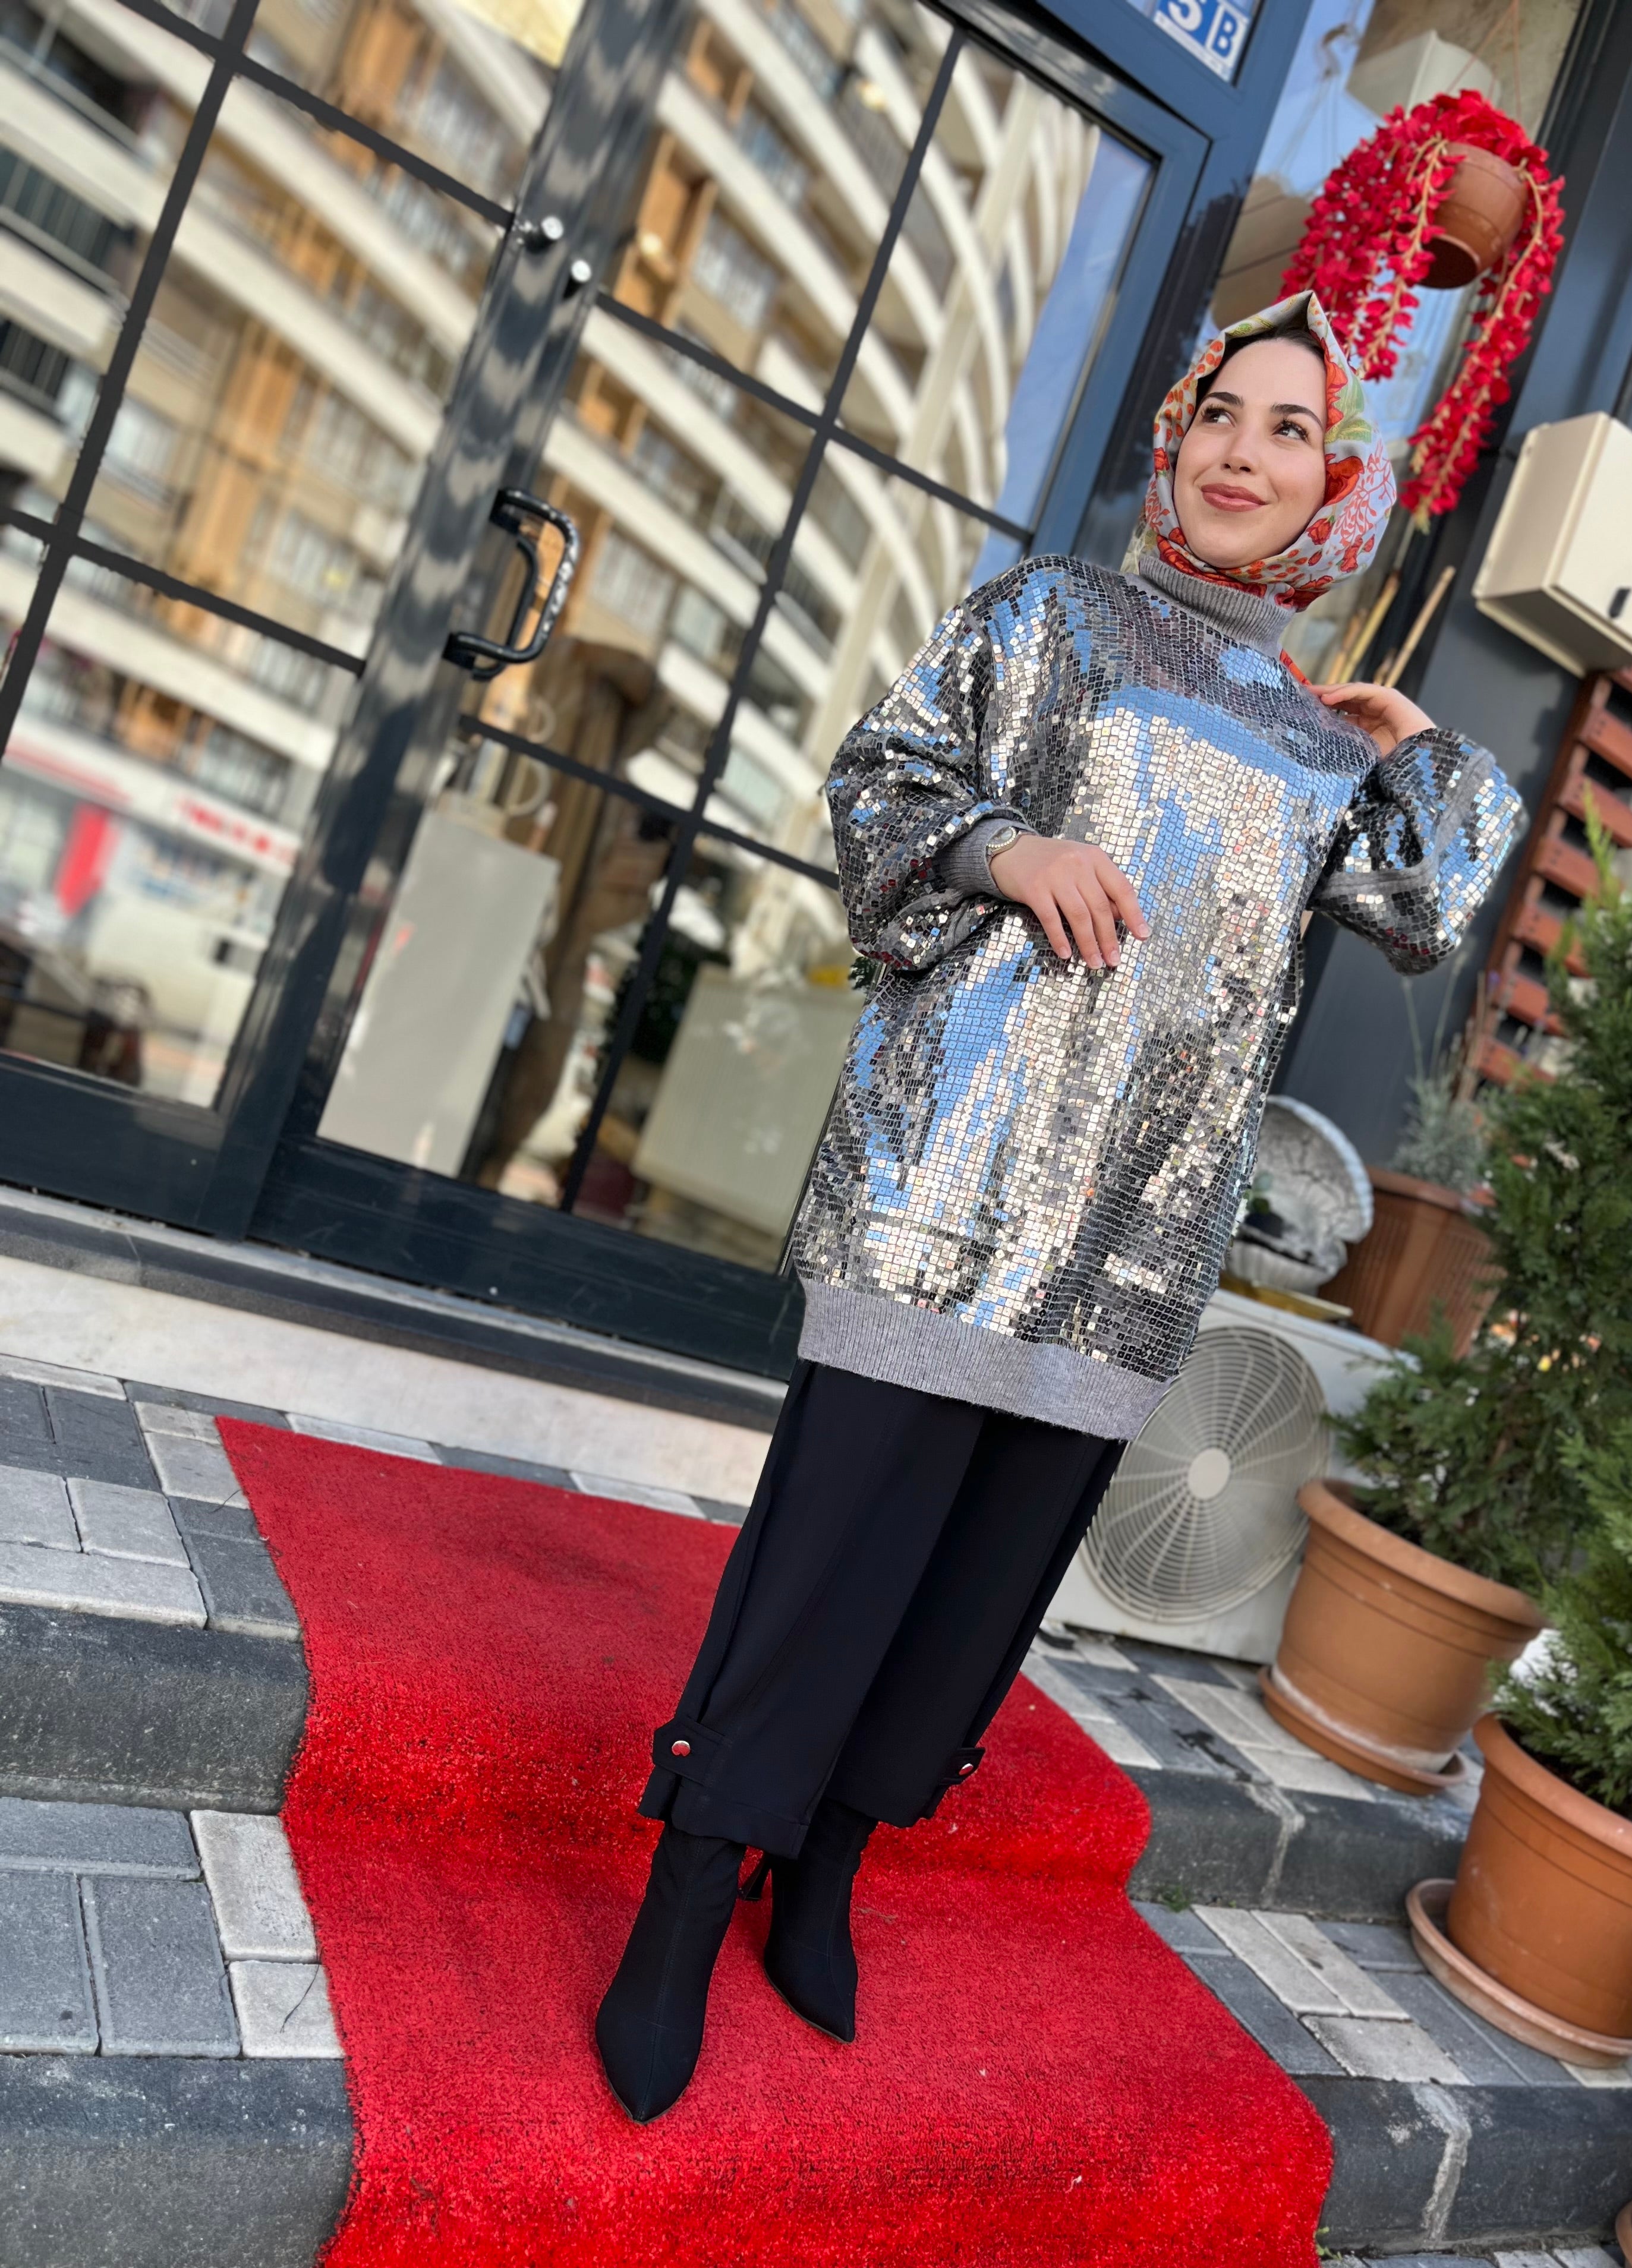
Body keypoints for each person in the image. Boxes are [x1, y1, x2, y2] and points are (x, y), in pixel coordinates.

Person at [596, 290, 1523, 2124]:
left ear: (1335, 485)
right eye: (1222, 415)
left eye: (1291, 433)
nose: (1244, 454)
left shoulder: (1329, 750)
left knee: (975, 1598)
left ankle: (830, 1864)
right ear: (1175, 437)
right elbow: (884, 774)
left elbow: (1428, 907)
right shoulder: (1048, 616)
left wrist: (1415, 736)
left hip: (1130, 1239)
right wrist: (1007, 846)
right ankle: (692, 1886)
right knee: (826, 1563)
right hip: (949, 1180)